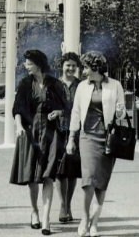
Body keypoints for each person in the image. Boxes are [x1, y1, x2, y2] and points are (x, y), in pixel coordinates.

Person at [66, 51, 126, 237]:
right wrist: (71, 139)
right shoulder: (82, 87)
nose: (83, 71)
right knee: (88, 180)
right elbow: (76, 113)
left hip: (108, 138)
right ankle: (85, 218)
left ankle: (95, 222)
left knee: (101, 182)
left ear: (96, 68)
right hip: (87, 137)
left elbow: (121, 114)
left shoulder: (115, 85)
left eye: (86, 67)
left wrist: (119, 111)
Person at [9, 49, 67, 235]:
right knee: (32, 176)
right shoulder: (25, 83)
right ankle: (34, 210)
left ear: (39, 64)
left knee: (48, 174)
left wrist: (58, 112)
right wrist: (18, 126)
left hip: (51, 132)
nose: (26, 66)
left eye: (29, 63)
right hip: (30, 131)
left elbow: (65, 107)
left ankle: (46, 218)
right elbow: (17, 108)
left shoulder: (55, 84)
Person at [56, 52, 82, 224]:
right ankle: (62, 205)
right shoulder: (55, 84)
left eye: (73, 65)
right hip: (57, 130)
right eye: (68, 65)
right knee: (59, 171)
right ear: (62, 66)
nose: (71, 68)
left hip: (76, 131)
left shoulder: (81, 85)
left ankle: (68, 205)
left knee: (72, 171)